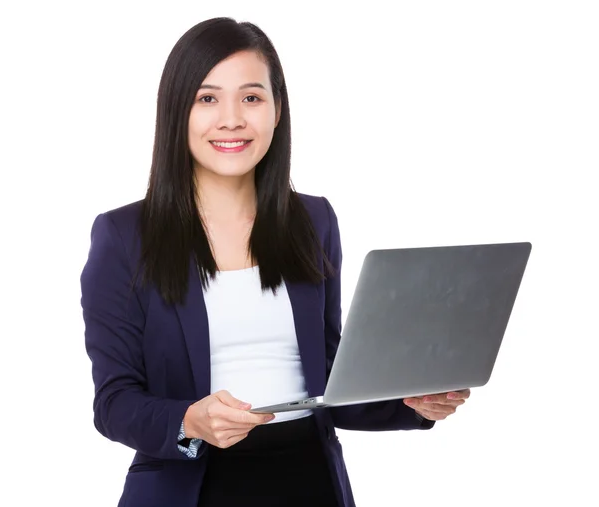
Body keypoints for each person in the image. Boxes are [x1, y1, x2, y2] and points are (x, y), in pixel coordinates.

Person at [80, 17, 470, 507]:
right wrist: (189, 420)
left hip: (309, 479)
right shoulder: (124, 236)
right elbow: (114, 402)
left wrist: (412, 404)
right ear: (176, 110)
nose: (231, 119)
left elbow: (329, 381)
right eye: (207, 98)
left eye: (251, 97)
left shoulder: (314, 220)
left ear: (277, 109)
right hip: (191, 488)